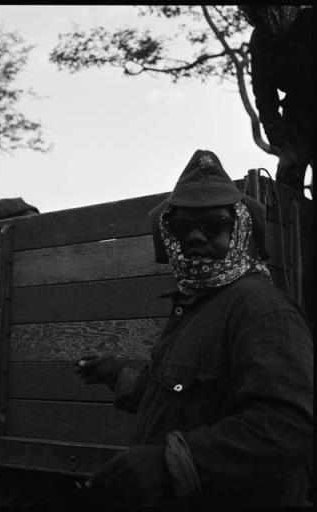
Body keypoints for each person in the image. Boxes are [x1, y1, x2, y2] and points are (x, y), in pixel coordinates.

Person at [75, 149, 313, 507]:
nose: (195, 238)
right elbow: (187, 402)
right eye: (182, 227)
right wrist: (117, 376)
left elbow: (290, 424)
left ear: (241, 229)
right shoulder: (194, 305)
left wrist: (172, 464)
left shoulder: (259, 308)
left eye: (214, 224)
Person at [239, 5, 314, 195]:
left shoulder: (310, 20)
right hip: (297, 116)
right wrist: (282, 147)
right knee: (287, 181)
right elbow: (265, 99)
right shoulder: (259, 41)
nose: (260, 20)